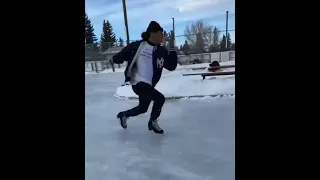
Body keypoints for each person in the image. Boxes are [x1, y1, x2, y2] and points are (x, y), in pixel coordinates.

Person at [112, 21, 178, 134]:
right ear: (152, 33)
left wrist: (172, 51)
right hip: (138, 83)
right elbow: (122, 55)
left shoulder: (161, 51)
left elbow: (171, 66)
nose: (163, 37)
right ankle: (152, 122)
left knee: (143, 108)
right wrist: (114, 59)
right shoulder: (137, 46)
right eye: (161, 34)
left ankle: (123, 115)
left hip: (148, 85)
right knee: (160, 98)